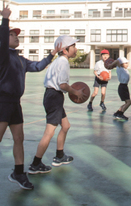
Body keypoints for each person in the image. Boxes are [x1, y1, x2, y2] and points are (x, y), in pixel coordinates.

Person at [0, 5, 59, 190]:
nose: (16, 36)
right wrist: (5, 19)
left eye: (16, 35)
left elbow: (38, 66)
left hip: (15, 103)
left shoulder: (21, 59)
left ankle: (19, 172)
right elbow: (4, 38)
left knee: (19, 138)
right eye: (13, 35)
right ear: (3, 40)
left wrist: (52, 54)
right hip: (3, 101)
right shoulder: (3, 55)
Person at [28, 35, 85, 175]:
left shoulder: (56, 62)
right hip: (54, 97)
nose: (76, 49)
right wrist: (75, 92)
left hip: (51, 96)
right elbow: (63, 85)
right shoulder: (63, 63)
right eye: (73, 46)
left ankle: (59, 156)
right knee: (49, 132)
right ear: (65, 50)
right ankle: (36, 163)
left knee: (66, 126)